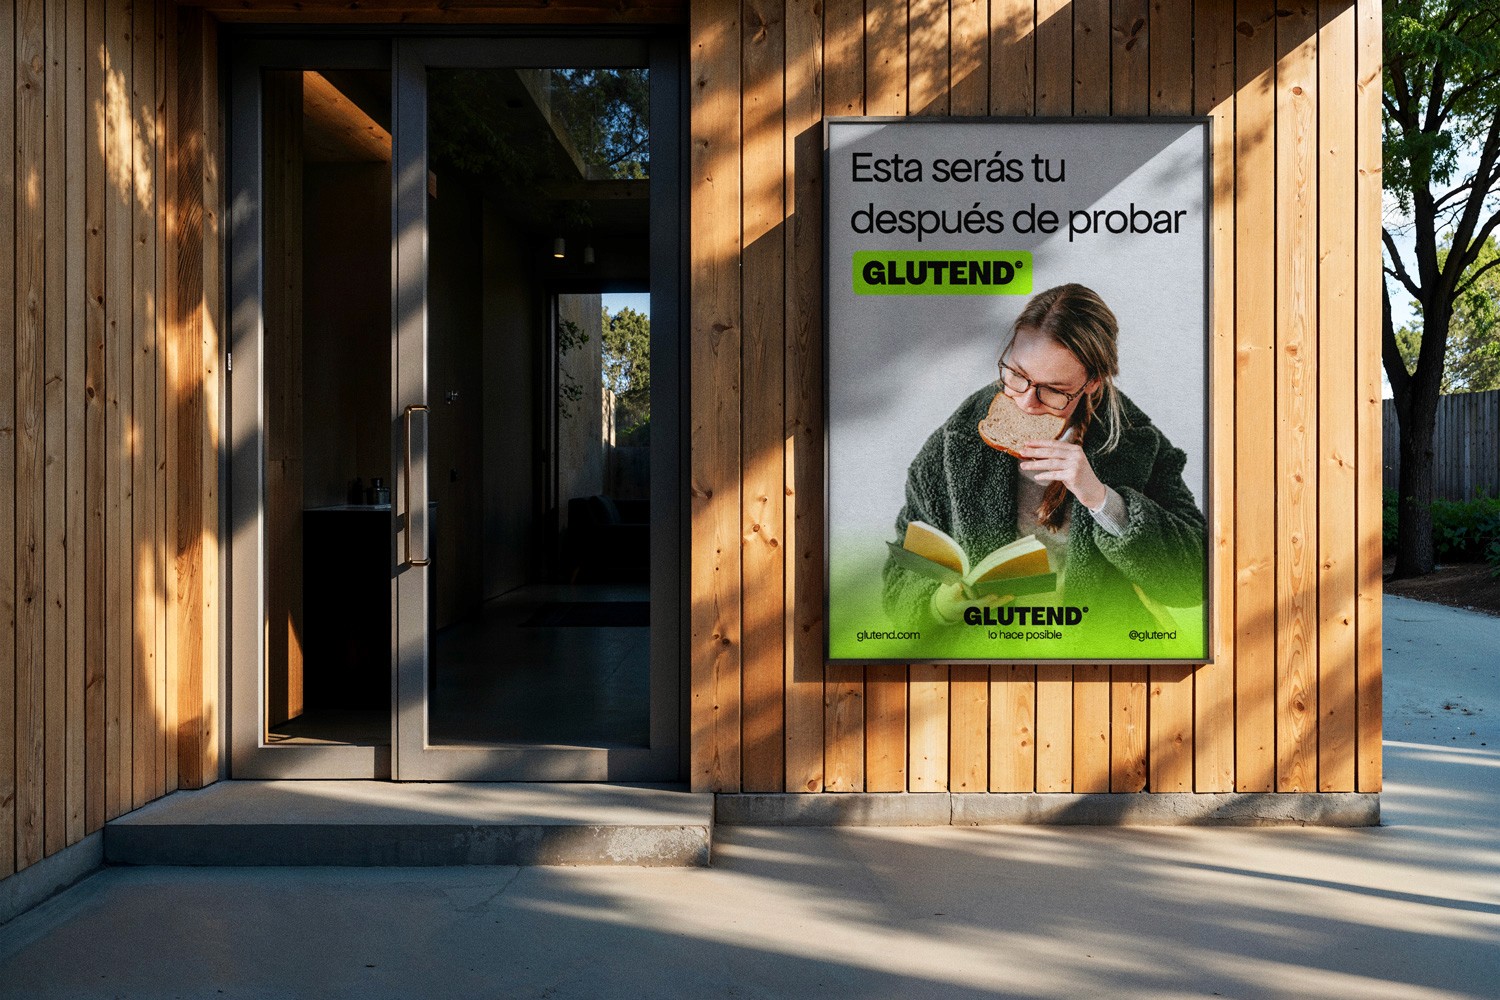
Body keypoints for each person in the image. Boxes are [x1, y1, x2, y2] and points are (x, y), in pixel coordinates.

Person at [881, 283, 1206, 631]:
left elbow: (1192, 581)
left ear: (1092, 383)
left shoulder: (1137, 445)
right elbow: (899, 583)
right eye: (1017, 374)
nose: (1026, 400)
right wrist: (940, 607)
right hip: (991, 660)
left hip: (1099, 659)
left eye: (1053, 390)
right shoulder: (952, 446)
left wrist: (1101, 499)